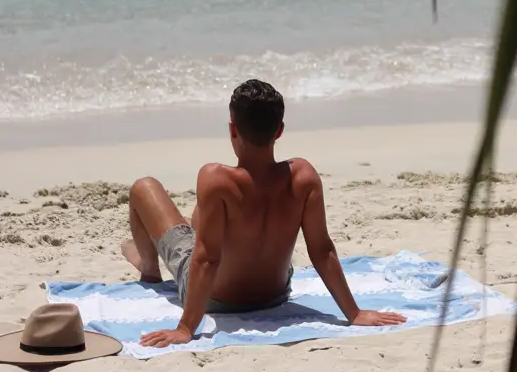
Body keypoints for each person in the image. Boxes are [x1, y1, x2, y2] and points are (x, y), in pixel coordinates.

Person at [122, 78, 407, 348]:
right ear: (279, 130)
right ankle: (180, 232)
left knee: (143, 187)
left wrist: (185, 328)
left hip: (217, 299)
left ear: (233, 129)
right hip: (275, 294)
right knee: (201, 217)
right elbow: (322, 250)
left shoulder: (215, 179)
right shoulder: (304, 177)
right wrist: (353, 313)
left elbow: (207, 259)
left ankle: (149, 270)